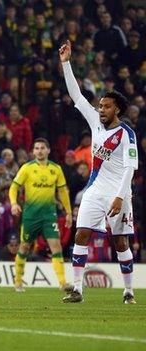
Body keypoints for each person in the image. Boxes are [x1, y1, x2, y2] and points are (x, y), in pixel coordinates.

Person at [60, 40, 139, 304]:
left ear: (116, 109)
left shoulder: (127, 134)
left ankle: (128, 291)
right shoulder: (94, 121)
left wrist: (120, 196)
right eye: (101, 106)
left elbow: (130, 168)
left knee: (121, 244)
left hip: (119, 193)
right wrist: (66, 63)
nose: (101, 109)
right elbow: (76, 95)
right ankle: (78, 289)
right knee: (81, 234)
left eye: (106, 106)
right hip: (94, 191)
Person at [9, 138, 72, 293]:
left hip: (49, 215)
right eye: (36, 148)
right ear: (33, 151)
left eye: (42, 148)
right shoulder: (27, 168)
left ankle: (63, 283)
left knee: (56, 246)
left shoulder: (56, 169)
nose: (39, 151)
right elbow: (13, 187)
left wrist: (69, 212)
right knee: (24, 247)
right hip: (30, 215)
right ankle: (18, 281)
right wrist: (14, 203)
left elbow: (62, 191)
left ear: (48, 150)